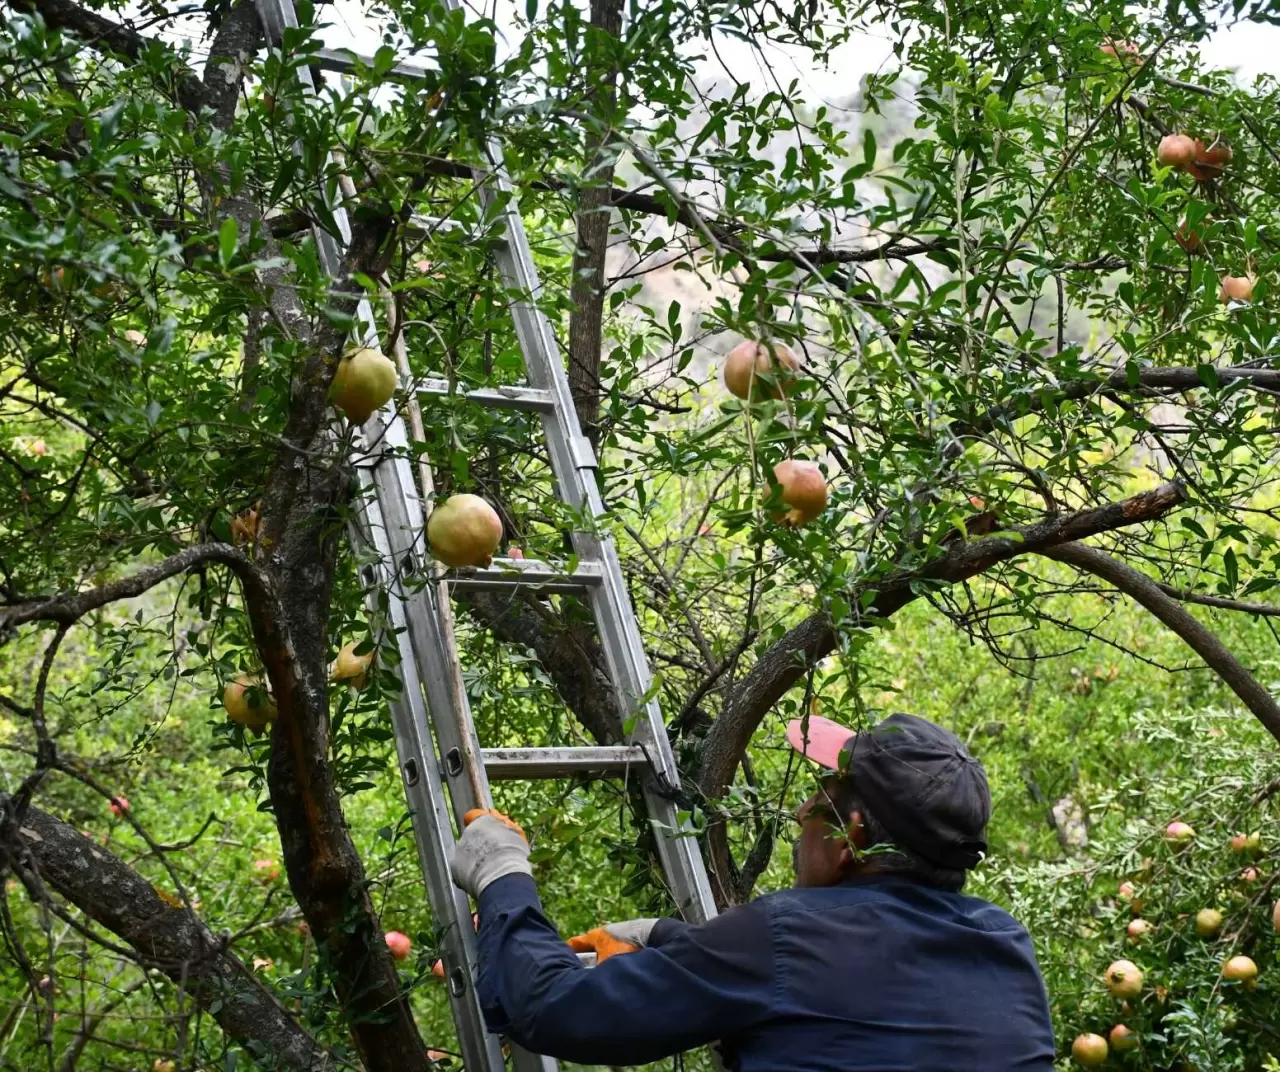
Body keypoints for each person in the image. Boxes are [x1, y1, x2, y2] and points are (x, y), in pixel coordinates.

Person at [450, 712, 1056, 1070]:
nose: (800, 812)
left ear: (851, 836)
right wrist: (668, 938)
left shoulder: (786, 935)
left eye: (818, 799)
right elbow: (847, 1000)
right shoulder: (1006, 944)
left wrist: (502, 876)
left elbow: (553, 1010)